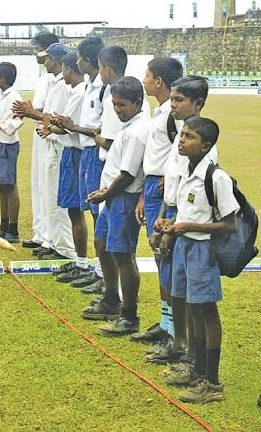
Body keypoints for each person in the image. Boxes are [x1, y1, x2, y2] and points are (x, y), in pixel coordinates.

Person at [158, 117, 236, 404]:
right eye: (181, 134)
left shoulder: (216, 178)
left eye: (189, 137)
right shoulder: (186, 171)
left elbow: (229, 225)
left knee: (206, 312)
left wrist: (189, 227)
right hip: (183, 246)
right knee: (191, 308)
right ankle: (197, 372)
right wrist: (170, 229)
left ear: (205, 146)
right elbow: (184, 212)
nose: (181, 140)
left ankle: (212, 384)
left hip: (202, 251)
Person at [86, 77, 150, 336]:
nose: (117, 109)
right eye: (114, 104)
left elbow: (128, 175)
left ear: (138, 102)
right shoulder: (129, 125)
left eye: (122, 104)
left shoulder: (138, 131)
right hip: (112, 196)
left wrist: (105, 194)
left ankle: (129, 316)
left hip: (123, 197)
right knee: (102, 244)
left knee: (124, 256)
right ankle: (111, 298)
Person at [131, 58, 184, 347]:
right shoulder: (160, 110)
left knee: (167, 255)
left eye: (147, 75)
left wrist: (169, 176)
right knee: (158, 254)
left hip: (164, 189)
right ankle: (166, 323)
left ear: (159, 81)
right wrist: (143, 193)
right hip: (151, 187)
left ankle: (175, 330)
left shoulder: (172, 115)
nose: (144, 79)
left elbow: (182, 149)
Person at [51, 37, 106, 292]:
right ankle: (87, 265)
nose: (78, 61)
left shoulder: (102, 89)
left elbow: (101, 130)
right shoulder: (91, 87)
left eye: (81, 58)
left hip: (92, 154)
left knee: (96, 214)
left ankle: (100, 271)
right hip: (85, 153)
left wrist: (71, 127)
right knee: (82, 210)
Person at [13, 42, 73, 261]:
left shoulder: (65, 85)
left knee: (57, 199)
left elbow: (57, 119)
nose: (44, 61)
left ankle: (63, 247)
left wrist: (34, 114)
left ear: (55, 60)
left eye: (47, 58)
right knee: (47, 194)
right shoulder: (54, 82)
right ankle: (52, 241)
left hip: (60, 145)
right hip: (51, 142)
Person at [48, 52, 89, 282]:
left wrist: (52, 127)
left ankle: (82, 263)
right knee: (74, 209)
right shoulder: (81, 91)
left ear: (68, 69)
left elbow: (66, 127)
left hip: (75, 153)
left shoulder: (78, 92)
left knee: (75, 209)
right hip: (75, 152)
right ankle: (80, 261)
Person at [21, 32, 59, 249]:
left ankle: (49, 237)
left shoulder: (55, 78)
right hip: (40, 131)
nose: (34, 52)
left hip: (50, 133)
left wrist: (30, 111)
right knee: (37, 183)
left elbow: (47, 111)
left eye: (36, 48)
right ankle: (40, 233)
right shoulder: (45, 76)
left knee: (47, 186)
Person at [0, 61, 23, 242]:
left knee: (10, 186)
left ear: (3, 78)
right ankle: (3, 226)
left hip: (7, 145)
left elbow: (12, 126)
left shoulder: (15, 98)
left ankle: (13, 229)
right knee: (1, 186)